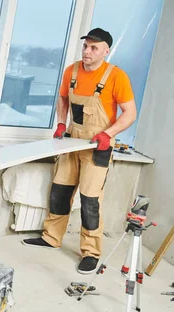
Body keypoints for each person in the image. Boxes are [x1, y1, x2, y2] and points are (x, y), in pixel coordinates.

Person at [22, 28, 137, 275]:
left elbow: (130, 113)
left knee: (90, 201)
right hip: (71, 141)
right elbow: (63, 99)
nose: (87, 51)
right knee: (60, 192)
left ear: (106, 51)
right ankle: (51, 237)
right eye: (85, 46)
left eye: (94, 48)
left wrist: (109, 134)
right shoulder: (71, 71)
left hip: (98, 146)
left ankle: (90, 253)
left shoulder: (116, 77)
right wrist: (61, 124)